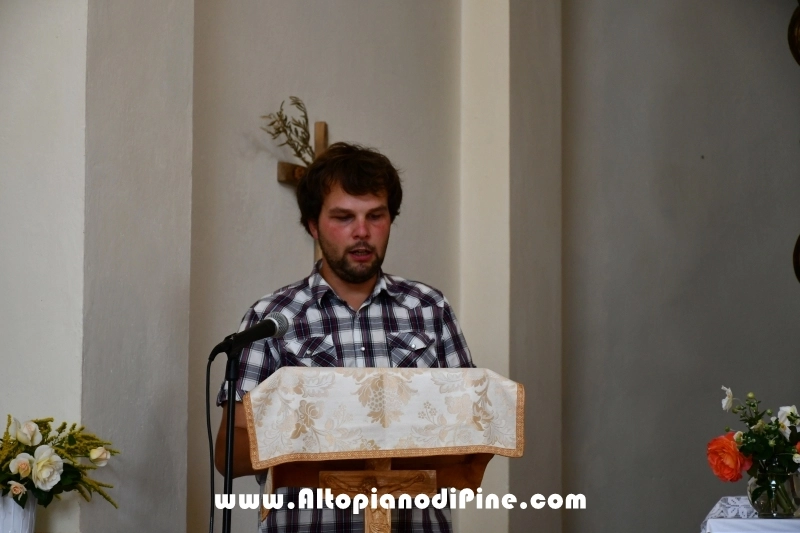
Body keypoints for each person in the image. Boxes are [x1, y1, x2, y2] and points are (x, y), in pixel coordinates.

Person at [216, 142, 474, 533]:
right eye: (343, 217)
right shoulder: (271, 318)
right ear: (313, 225)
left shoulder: (429, 308)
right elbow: (228, 453)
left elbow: (470, 429)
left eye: (376, 216)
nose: (362, 232)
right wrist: (323, 430)